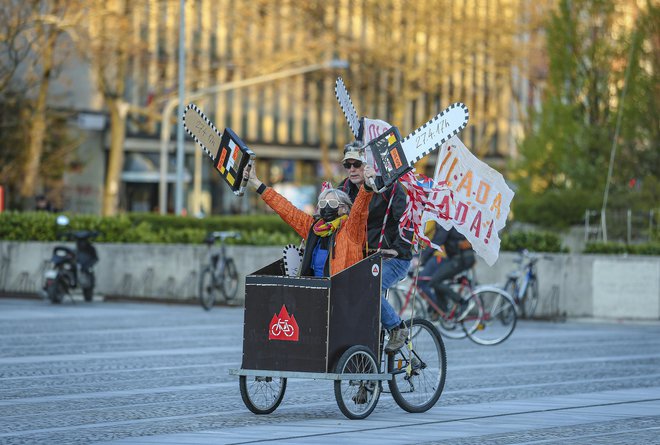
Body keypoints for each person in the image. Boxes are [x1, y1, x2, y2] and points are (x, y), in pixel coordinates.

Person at [338, 142, 412, 353]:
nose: (352, 169)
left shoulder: (391, 187)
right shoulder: (343, 189)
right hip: (361, 258)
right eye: (348, 165)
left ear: (369, 164)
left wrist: (397, 248)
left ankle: (397, 327)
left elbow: (408, 221)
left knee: (368, 287)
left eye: (357, 164)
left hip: (393, 258)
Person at [244, 162, 373, 277]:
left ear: (344, 208)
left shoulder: (351, 230)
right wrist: (256, 183)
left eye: (332, 203)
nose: (327, 207)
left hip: (343, 295)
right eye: (323, 203)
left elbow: (360, 209)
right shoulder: (313, 228)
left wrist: (367, 186)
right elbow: (286, 209)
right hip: (315, 293)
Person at [418, 224, 476, 318]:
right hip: (456, 258)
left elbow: (437, 242)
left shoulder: (447, 223)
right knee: (437, 280)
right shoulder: (446, 222)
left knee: (435, 281)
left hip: (460, 259)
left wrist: (422, 258)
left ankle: (463, 302)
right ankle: (443, 310)